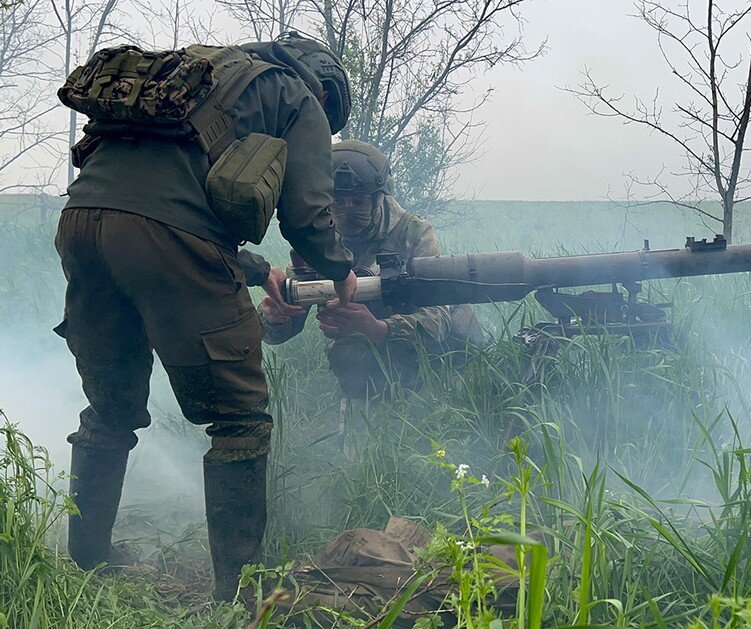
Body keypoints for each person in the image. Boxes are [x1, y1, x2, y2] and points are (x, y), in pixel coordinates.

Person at [54, 32, 357, 600]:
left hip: (82, 223)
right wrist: (340, 272)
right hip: (165, 235)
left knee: (110, 407)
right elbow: (307, 213)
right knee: (240, 417)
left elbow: (156, 198)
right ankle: (240, 596)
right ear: (325, 84)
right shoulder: (298, 97)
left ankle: (88, 557)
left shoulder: (198, 74)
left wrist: (254, 269)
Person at [254, 140, 485, 400]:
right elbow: (285, 318)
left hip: (447, 352)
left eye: (358, 201)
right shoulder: (321, 243)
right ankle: (372, 409)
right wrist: (274, 317)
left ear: (378, 197)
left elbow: (438, 320)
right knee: (347, 353)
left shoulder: (415, 234)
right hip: (372, 352)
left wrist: (376, 328)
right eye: (340, 202)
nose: (348, 210)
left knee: (448, 402)